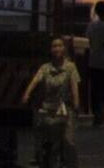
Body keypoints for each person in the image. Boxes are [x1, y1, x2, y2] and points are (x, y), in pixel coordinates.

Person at [23, 37, 82, 168]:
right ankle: (41, 158)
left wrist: (76, 104)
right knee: (44, 138)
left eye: (60, 45)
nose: (57, 48)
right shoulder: (45, 68)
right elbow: (35, 81)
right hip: (48, 108)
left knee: (68, 142)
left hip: (65, 108)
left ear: (64, 48)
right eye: (54, 46)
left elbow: (74, 87)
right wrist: (26, 94)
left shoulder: (70, 67)